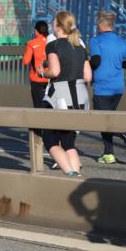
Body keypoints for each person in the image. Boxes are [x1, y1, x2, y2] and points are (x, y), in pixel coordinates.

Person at [39, 11, 91, 177]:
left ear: (58, 26)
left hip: (59, 97)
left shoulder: (53, 45)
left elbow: (55, 71)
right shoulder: (80, 47)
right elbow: (88, 76)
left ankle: (70, 174)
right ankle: (76, 176)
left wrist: (42, 72)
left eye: (53, 23)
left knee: (50, 139)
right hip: (80, 97)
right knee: (68, 142)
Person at [88, 11, 126, 164]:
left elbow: (96, 61)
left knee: (102, 120)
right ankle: (108, 153)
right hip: (117, 87)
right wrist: (118, 64)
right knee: (108, 119)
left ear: (100, 24)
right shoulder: (121, 41)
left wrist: (86, 65)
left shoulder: (96, 41)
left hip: (103, 87)